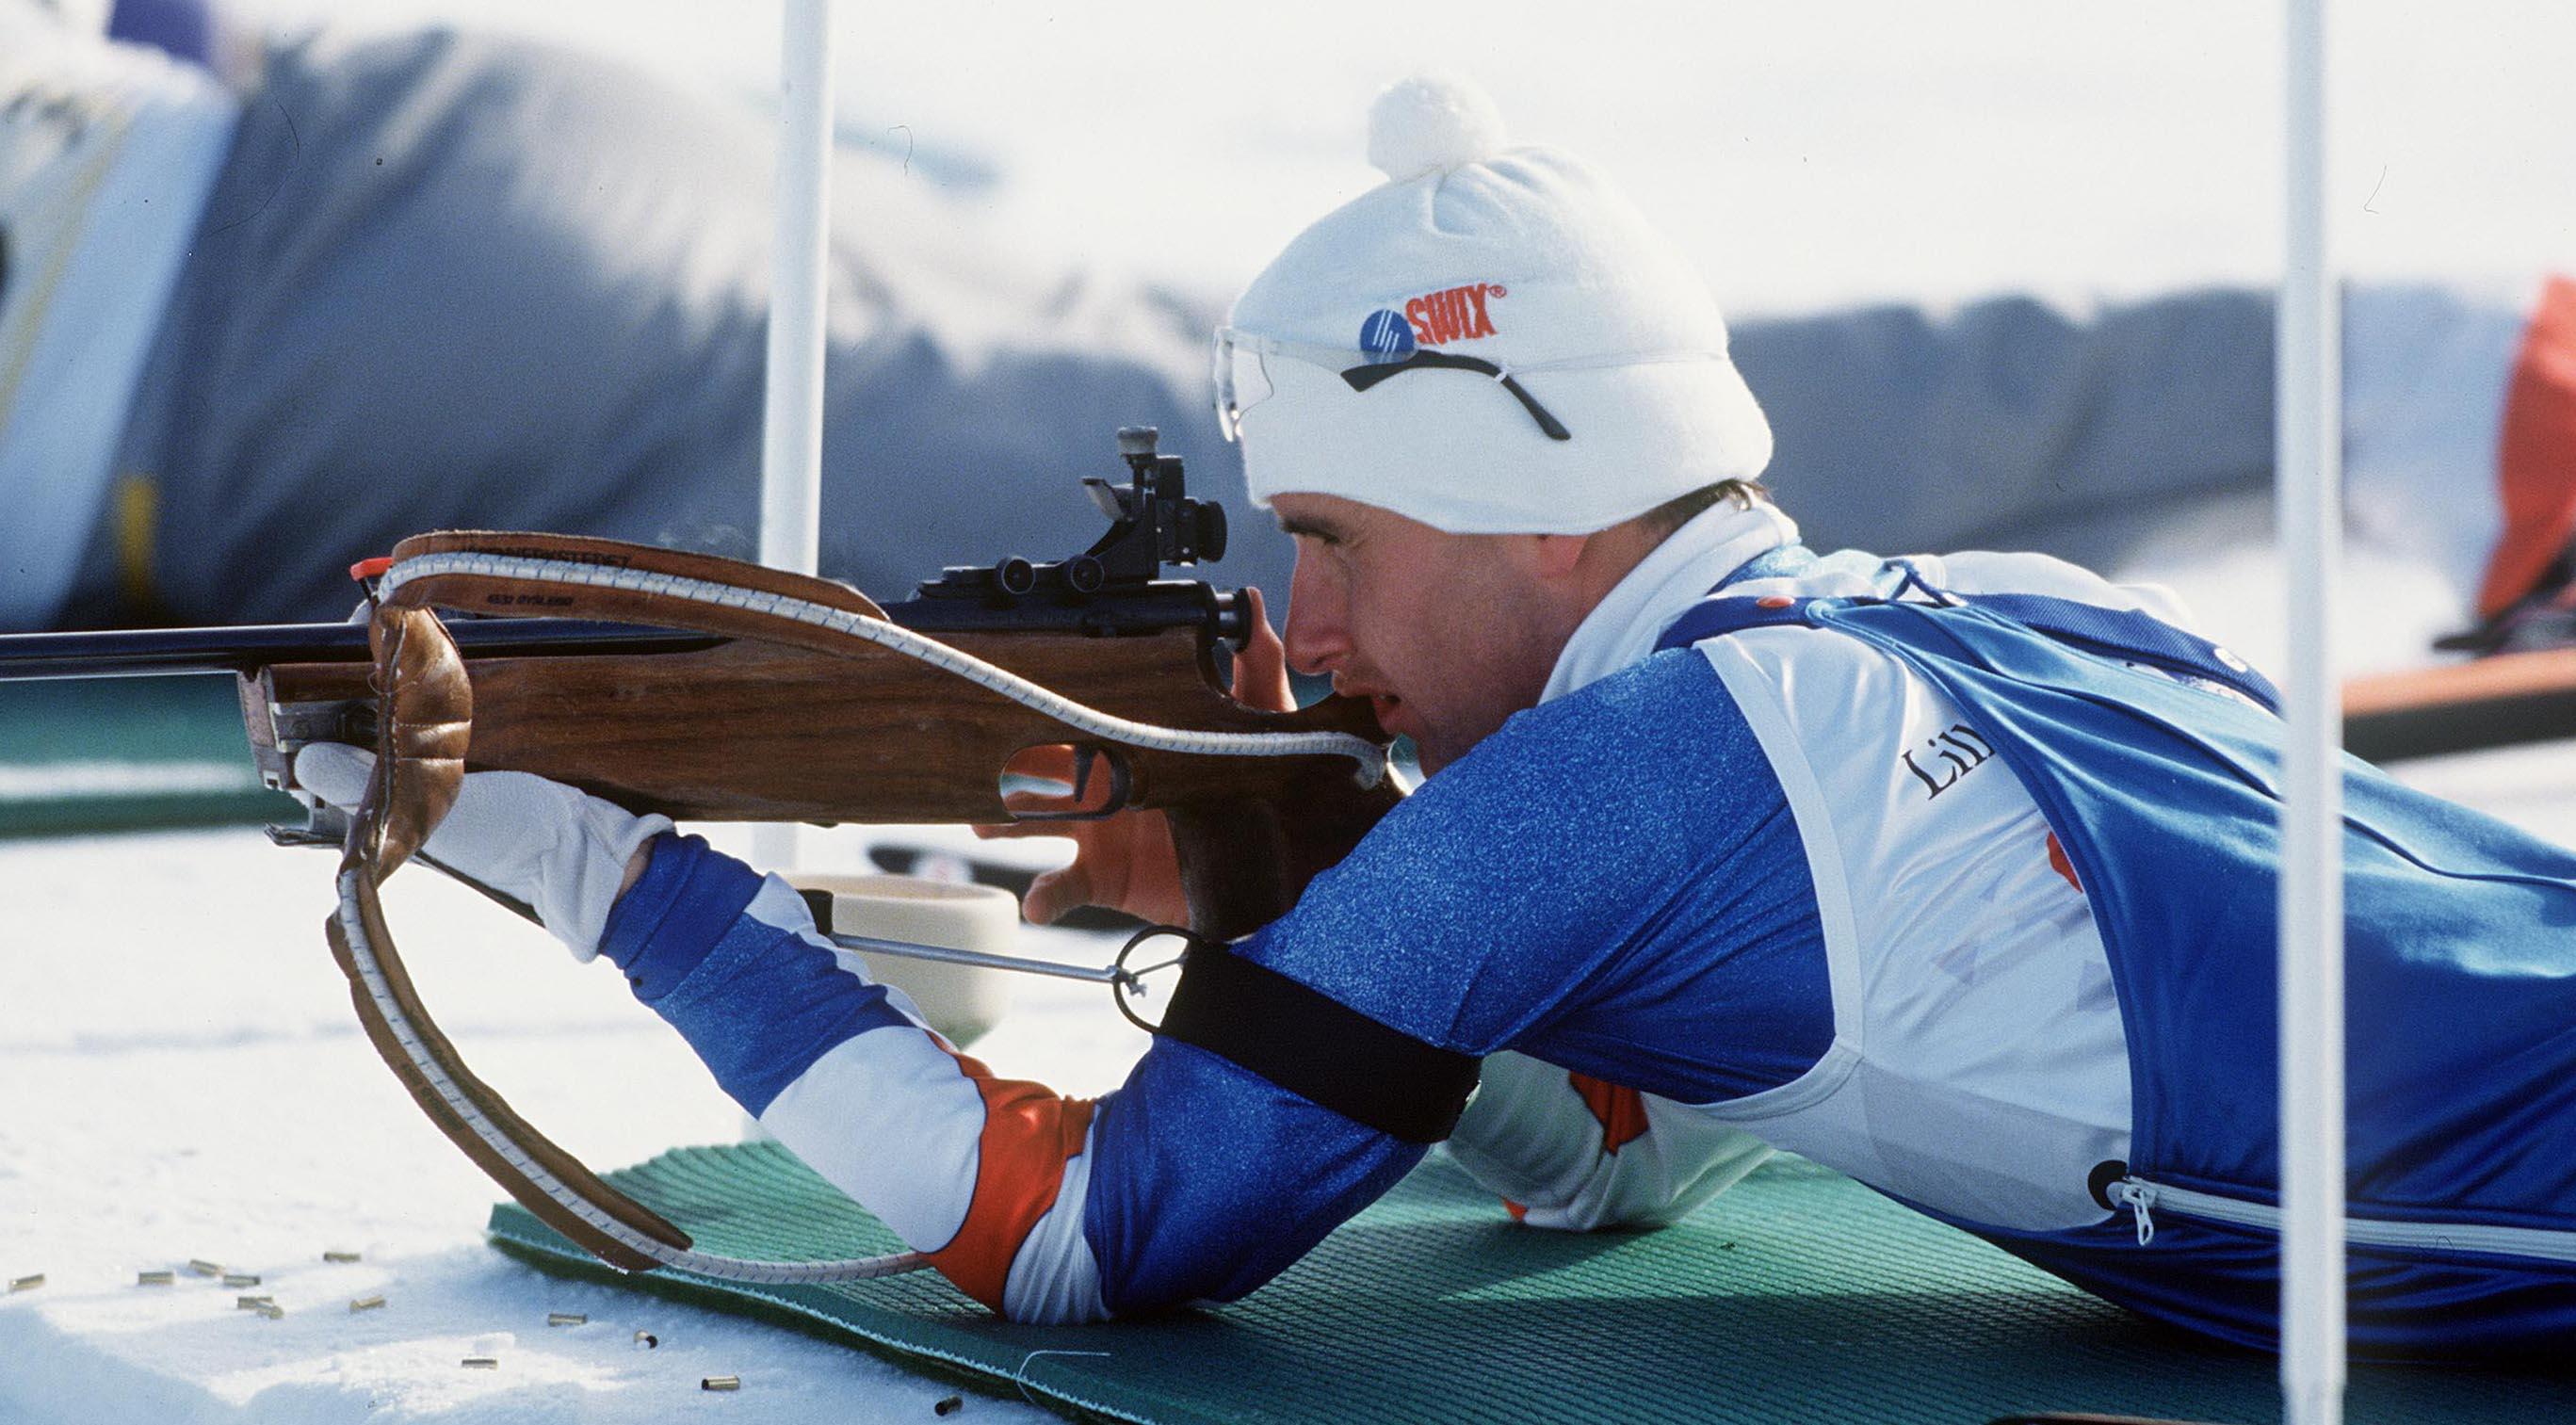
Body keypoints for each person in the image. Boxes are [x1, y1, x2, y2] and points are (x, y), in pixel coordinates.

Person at [285, 73, 2576, 1360]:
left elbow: (1082, 1246)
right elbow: (1628, 1157)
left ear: (1526, 504)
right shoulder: (1995, 606)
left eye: (1336, 538)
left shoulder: (1608, 785)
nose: (1304, 623)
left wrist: (618, 885)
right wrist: (1312, 929)